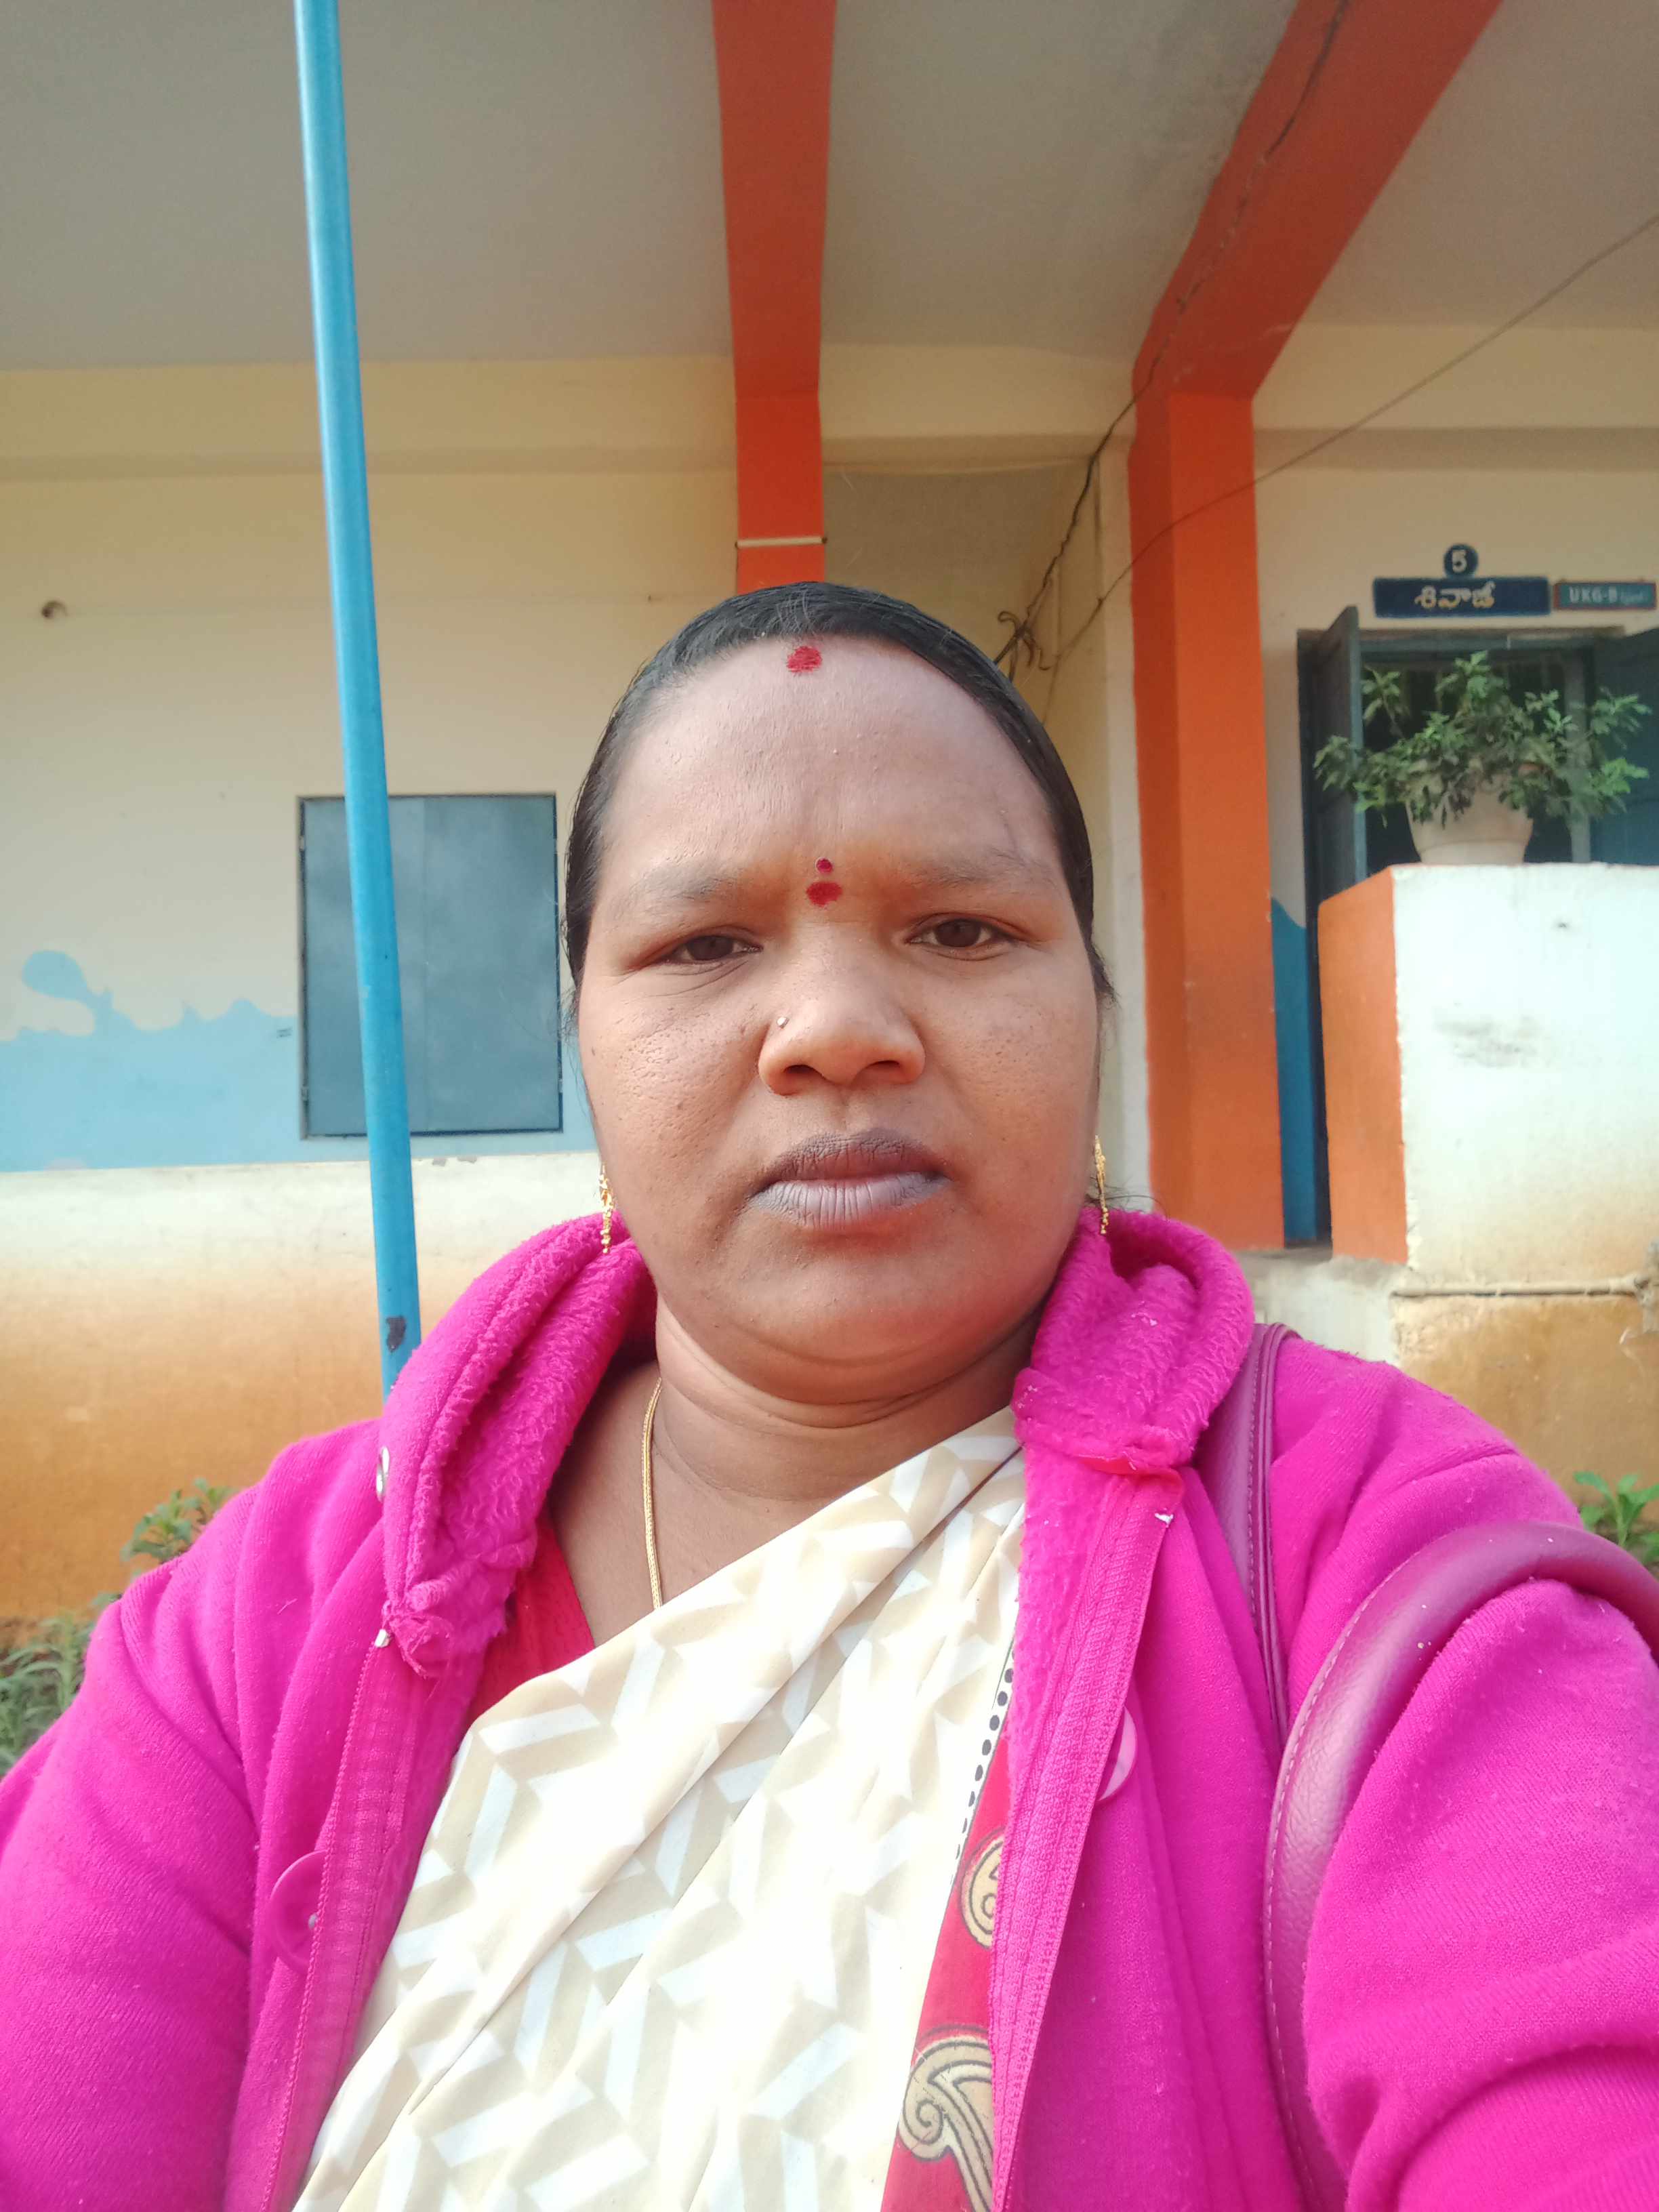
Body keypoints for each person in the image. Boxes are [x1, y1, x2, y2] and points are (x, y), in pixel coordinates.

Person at [2, 583, 1658, 2212]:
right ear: (585, 1039)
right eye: (705, 944)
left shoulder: (1374, 1562)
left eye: (963, 929)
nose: (838, 1031)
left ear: (1095, 1013)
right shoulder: (271, 1626)